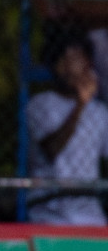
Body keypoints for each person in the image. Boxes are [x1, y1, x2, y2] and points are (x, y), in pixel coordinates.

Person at [26, 31, 108, 225]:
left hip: (90, 212)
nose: (70, 68)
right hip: (49, 211)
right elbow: (52, 150)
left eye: (77, 59)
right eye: (65, 60)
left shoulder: (100, 112)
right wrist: (80, 105)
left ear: (89, 65)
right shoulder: (40, 104)